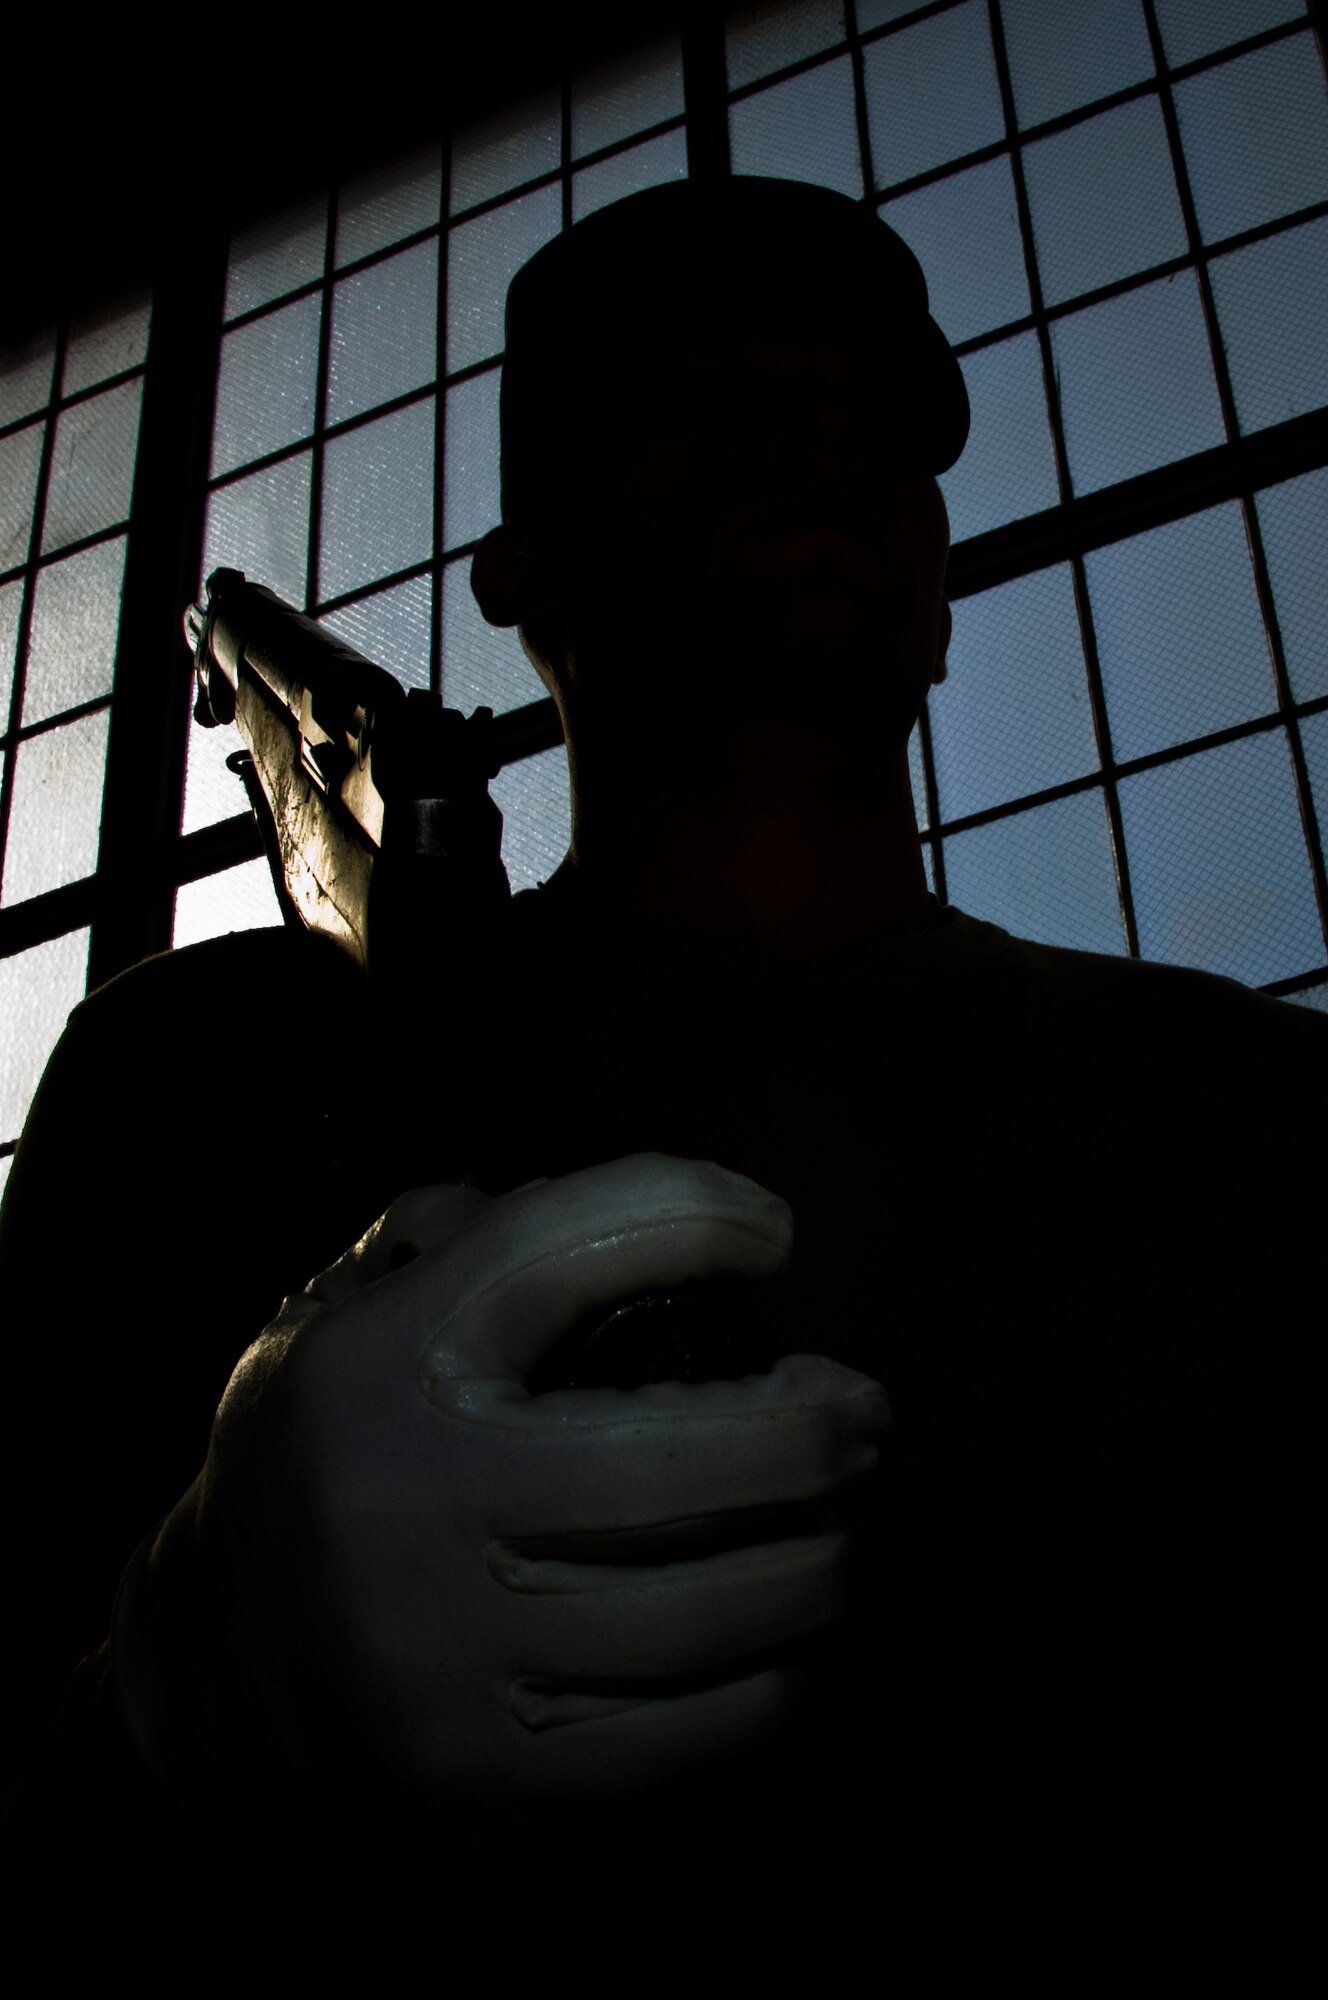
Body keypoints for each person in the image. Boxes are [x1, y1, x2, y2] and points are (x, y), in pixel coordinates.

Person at [0, 177, 1321, 1932]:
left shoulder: (1274, 1118)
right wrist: (165, 1724)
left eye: (874, 419)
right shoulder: (210, 1077)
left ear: (940, 582)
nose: (818, 434)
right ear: (517, 566)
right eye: (704, 393)